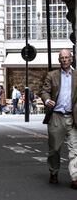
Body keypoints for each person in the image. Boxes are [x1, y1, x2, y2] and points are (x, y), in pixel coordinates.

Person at [40, 49, 77, 188]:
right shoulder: (52, 75)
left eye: (67, 57)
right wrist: (47, 100)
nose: (65, 60)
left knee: (75, 149)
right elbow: (44, 91)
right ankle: (54, 172)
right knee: (54, 149)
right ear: (59, 60)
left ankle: (75, 177)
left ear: (71, 59)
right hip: (56, 116)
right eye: (62, 58)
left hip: (73, 117)